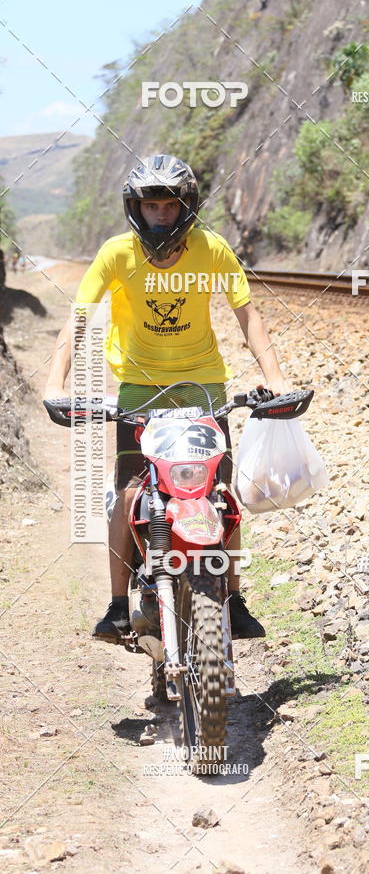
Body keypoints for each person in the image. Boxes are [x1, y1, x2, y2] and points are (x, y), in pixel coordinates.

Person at [43, 154, 288, 643]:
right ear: (135, 208)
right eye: (151, 206)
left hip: (203, 386)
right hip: (138, 390)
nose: (161, 215)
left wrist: (275, 376)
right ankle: (118, 605)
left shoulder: (212, 249)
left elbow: (247, 314)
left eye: (170, 205)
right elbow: (79, 318)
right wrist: (56, 383)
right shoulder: (116, 253)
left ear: (187, 207)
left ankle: (233, 598)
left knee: (218, 493)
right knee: (131, 490)